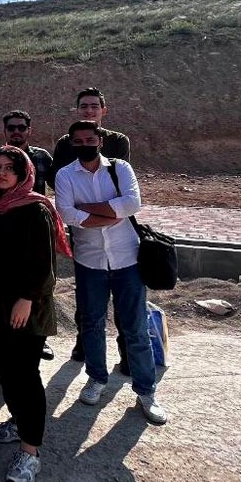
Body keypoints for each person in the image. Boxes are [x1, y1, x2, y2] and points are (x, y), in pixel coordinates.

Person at [54, 120, 168, 426]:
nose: (85, 145)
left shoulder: (120, 169)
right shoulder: (65, 175)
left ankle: (146, 391)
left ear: (100, 141)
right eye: (78, 141)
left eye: (89, 139)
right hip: (89, 262)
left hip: (127, 260)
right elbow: (67, 213)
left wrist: (88, 209)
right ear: (72, 144)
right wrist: (110, 212)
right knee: (91, 323)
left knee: (135, 328)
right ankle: (96, 378)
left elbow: (132, 203)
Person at [0, 146, 69, 482]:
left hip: (27, 307)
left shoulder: (35, 209)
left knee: (25, 375)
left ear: (23, 173)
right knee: (3, 367)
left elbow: (44, 265)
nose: (2, 173)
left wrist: (27, 298)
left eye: (10, 167)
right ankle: (19, 422)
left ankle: (30, 450)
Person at [49, 87, 132, 364]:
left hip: (118, 229)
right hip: (84, 229)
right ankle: (84, 344)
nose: (89, 110)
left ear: (103, 110)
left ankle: (127, 350)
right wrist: (81, 207)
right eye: (84, 106)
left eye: (94, 106)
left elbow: (122, 188)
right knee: (87, 292)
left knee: (124, 296)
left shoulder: (118, 141)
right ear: (77, 110)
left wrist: (86, 205)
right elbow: (60, 182)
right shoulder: (65, 142)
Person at [2, 109, 56, 361]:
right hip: (6, 226)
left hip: (36, 225)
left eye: (21, 127)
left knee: (40, 283)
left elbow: (61, 185)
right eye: (11, 128)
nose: (16, 132)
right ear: (4, 131)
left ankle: (40, 338)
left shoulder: (42, 157)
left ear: (29, 130)